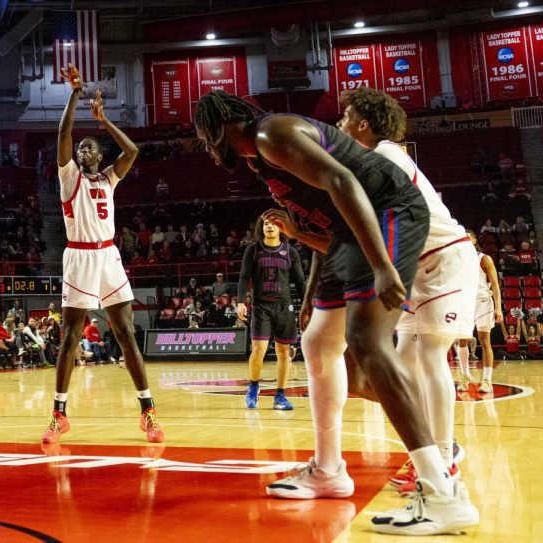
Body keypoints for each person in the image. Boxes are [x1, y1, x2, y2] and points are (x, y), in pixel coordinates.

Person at [193, 91, 477, 535]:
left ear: (219, 127)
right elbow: (329, 221)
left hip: (391, 209)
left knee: (368, 342)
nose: (207, 150)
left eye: (205, 138)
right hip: (351, 230)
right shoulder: (262, 161)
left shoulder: (272, 133)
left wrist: (382, 266)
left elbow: (345, 185)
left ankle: (443, 490)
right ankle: (328, 471)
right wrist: (310, 297)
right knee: (319, 342)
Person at [333, 89, 479, 493]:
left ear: (363, 123)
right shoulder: (379, 157)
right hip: (414, 266)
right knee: (404, 360)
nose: (340, 123)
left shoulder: (385, 154)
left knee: (431, 353)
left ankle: (445, 456)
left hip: (445, 257)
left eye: (346, 116)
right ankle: (431, 453)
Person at [44, 64, 162, 446]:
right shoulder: (70, 178)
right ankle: (59, 415)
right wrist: (76, 94)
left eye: (89, 145)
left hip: (109, 257)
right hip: (79, 258)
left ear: (100, 154)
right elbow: (64, 132)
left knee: (126, 333)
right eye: (81, 146)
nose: (83, 148)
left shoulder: (109, 176)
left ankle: (148, 412)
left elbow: (133, 150)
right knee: (71, 337)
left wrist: (104, 121)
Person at [237, 215, 305, 410]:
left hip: (284, 306)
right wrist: (241, 302)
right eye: (266, 224)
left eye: (274, 224)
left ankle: (280, 396)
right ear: (261, 228)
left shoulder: (290, 252)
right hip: (261, 306)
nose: (269, 227)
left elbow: (300, 282)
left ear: (282, 228)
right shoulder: (253, 250)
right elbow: (243, 277)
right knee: (258, 350)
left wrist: (308, 304)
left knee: (284, 352)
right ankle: (253, 386)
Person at [457, 250, 502, 396]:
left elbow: (494, 284)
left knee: (484, 341)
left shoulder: (484, 259)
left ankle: (487, 380)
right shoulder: (457, 258)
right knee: (462, 340)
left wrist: (498, 308)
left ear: (474, 241)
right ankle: (465, 375)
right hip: (464, 302)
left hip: (483, 302)